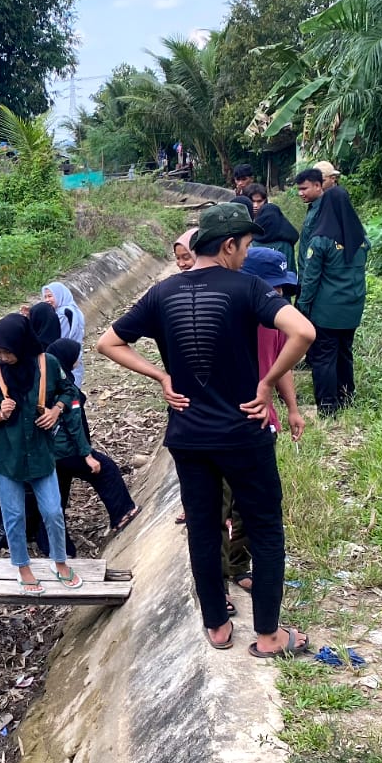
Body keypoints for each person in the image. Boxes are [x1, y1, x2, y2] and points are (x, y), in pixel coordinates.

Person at [96, 203, 317, 658]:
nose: (246, 254)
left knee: (202, 526)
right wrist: (267, 381)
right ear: (230, 245)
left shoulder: (162, 294)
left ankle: (216, 626)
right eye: (246, 245)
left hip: (188, 436)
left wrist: (161, 377)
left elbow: (107, 342)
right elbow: (304, 332)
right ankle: (270, 636)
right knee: (266, 529)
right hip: (243, 432)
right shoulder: (248, 287)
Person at [223, 246, 307, 595]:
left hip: (260, 424)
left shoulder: (276, 319)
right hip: (226, 425)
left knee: (248, 505)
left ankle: (238, 565)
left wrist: (292, 408)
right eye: (273, 289)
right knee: (218, 506)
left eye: (283, 291)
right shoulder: (228, 314)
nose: (279, 297)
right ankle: (216, 582)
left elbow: (280, 365)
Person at [0, 315, 77, 595]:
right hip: (7, 456)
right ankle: (22, 565)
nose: (3, 356)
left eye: (7, 351)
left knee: (53, 511)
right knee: (14, 515)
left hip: (40, 453)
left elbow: (69, 390)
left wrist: (56, 410)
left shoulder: (47, 365)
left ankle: (60, 561)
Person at [46, 338, 140, 534]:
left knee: (56, 497)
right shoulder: (65, 388)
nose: (78, 360)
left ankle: (52, 542)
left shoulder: (45, 381)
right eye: (76, 356)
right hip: (67, 448)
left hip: (48, 451)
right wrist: (86, 454)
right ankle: (123, 513)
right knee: (105, 470)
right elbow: (74, 424)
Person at [294, 169, 368, 416]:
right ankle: (347, 397)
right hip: (353, 307)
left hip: (326, 311)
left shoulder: (321, 241)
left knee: (324, 356)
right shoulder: (361, 241)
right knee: (345, 353)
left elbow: (311, 280)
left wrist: (302, 307)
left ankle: (327, 405)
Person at [246, 183, 300, 271]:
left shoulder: (283, 243)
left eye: (259, 201)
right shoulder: (243, 230)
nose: (255, 206)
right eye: (252, 201)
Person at [41, 282, 86, 384]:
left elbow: (61, 337)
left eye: (50, 296)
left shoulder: (63, 314)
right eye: (45, 297)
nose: (47, 300)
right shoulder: (72, 309)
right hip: (75, 354)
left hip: (66, 357)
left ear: (59, 295)